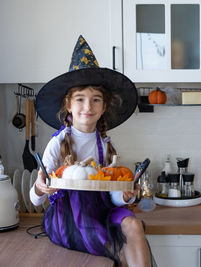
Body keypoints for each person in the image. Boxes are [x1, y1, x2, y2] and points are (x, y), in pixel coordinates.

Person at [30, 35, 154, 267]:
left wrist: (124, 195)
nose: (88, 107)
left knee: (133, 225)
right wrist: (40, 186)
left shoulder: (105, 143)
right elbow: (35, 200)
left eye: (96, 100)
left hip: (102, 210)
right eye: (80, 99)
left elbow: (111, 194)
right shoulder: (58, 143)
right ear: (68, 104)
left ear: (104, 106)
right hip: (70, 218)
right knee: (119, 251)